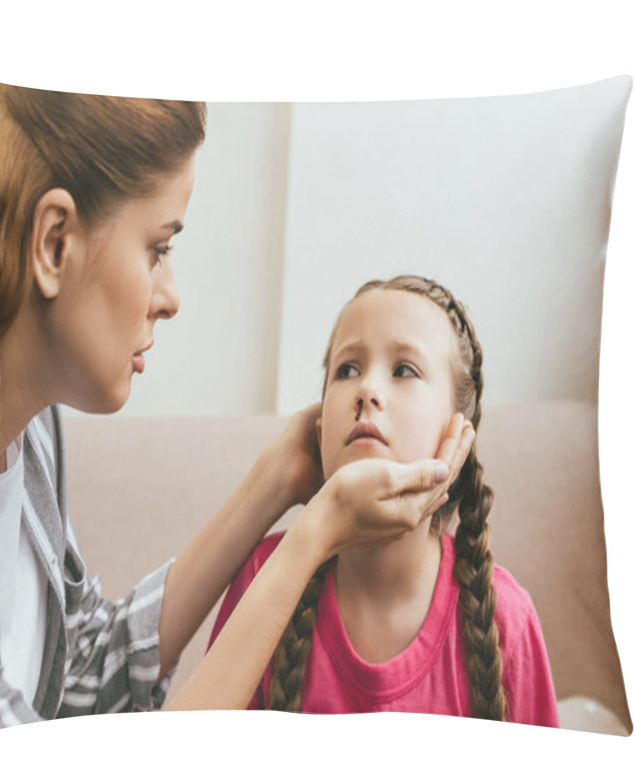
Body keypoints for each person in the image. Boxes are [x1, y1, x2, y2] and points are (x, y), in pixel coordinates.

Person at [0, 79, 475, 734]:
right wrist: (312, 536)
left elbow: (83, 675)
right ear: (54, 242)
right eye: (159, 247)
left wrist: (277, 480)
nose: (170, 296)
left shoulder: (31, 439)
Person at [208, 275, 560, 726]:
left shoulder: (506, 620)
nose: (366, 390)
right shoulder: (265, 578)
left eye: (404, 370)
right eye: (347, 369)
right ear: (321, 433)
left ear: (457, 436)